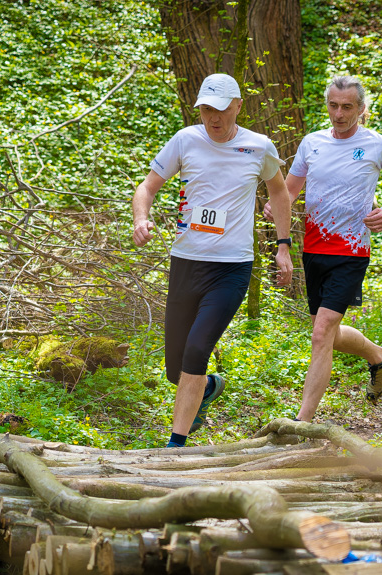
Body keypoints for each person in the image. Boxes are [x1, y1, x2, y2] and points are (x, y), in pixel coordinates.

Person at [133, 73, 294, 447]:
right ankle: (206, 387)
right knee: (177, 367)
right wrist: (142, 218)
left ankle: (175, 446)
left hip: (231, 268)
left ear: (238, 106)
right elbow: (147, 186)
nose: (213, 117)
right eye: (206, 109)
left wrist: (283, 246)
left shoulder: (259, 147)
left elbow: (280, 194)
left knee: (197, 348)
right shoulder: (185, 140)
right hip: (186, 262)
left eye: (221, 109)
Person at [265, 75, 382, 422]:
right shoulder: (312, 143)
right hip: (314, 249)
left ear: (361, 109)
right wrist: (277, 207)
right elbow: (288, 192)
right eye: (333, 105)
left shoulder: (377, 144)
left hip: (351, 252)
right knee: (327, 335)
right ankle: (379, 356)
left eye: (347, 106)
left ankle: (301, 423)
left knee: (321, 334)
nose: (339, 113)